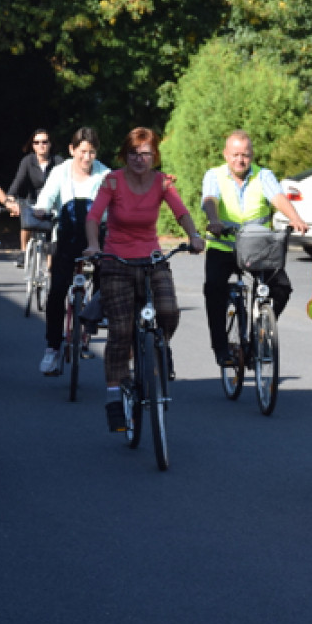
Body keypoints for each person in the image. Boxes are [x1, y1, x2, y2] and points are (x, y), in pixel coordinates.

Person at [82, 127, 204, 431]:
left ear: (155, 156)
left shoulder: (162, 183)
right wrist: (94, 245)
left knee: (168, 311)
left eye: (145, 153)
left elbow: (181, 213)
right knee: (121, 330)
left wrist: (194, 235)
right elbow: (94, 216)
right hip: (116, 261)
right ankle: (114, 396)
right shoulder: (113, 181)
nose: (139, 159)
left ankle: (160, 347)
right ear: (125, 155)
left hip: (151, 259)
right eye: (134, 153)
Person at [199, 129, 308, 367]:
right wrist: (214, 221)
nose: (240, 160)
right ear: (226, 155)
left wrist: (295, 218)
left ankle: (261, 330)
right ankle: (221, 348)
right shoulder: (214, 175)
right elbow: (210, 200)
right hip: (223, 246)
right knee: (214, 290)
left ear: (252, 155)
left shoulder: (263, 175)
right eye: (235, 154)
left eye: (245, 155)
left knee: (281, 288)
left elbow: (278, 197)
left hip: (258, 247)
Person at [32, 126, 110, 376]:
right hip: (66, 237)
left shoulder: (105, 174)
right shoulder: (60, 171)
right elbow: (47, 196)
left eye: (92, 152)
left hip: (96, 238)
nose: (87, 158)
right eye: (83, 151)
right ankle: (52, 348)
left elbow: (115, 204)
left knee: (107, 273)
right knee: (56, 292)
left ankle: (95, 316)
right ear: (72, 150)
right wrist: (41, 209)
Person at [8, 128, 64, 266]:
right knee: (26, 216)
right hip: (33, 201)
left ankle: (51, 266)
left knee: (54, 229)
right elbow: (18, 182)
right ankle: (23, 252)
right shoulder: (27, 161)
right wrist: (10, 199)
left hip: (52, 203)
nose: (41, 145)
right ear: (32, 145)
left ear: (50, 144)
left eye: (44, 142)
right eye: (37, 142)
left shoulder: (58, 161)